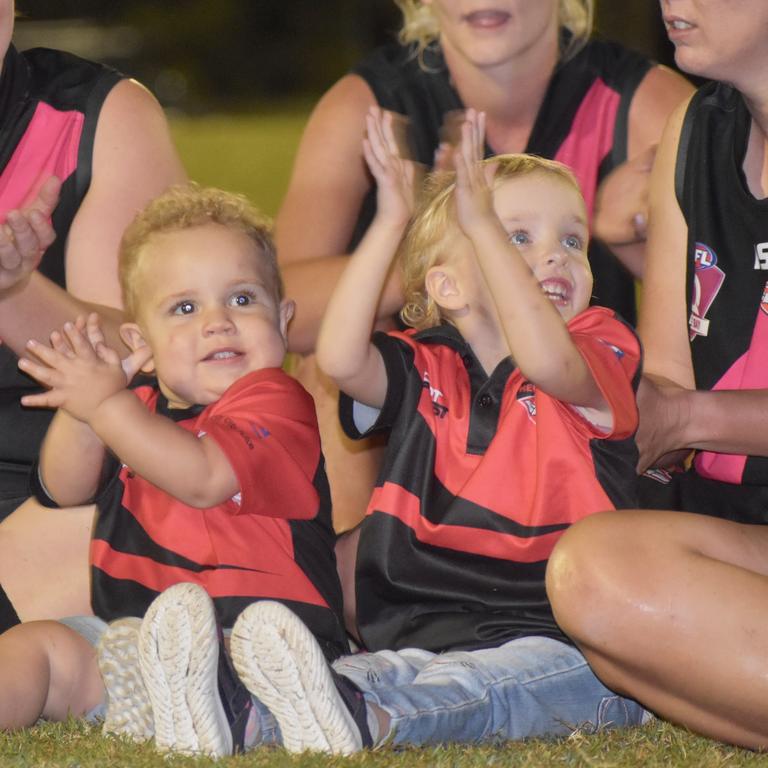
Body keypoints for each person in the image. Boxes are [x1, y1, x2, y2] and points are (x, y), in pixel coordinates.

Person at [220, 107, 647, 755]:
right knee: (363, 673)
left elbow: (546, 363)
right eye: (518, 238)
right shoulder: (429, 366)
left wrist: (481, 226)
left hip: (563, 641)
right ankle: (242, 713)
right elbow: (337, 359)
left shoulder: (597, 346)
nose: (556, 256)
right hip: (422, 634)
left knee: (478, 686)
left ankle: (373, 724)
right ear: (447, 285)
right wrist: (390, 221)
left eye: (572, 241)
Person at [276, 0, 692, 537]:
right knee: (323, 375)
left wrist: (629, 238)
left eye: (571, 237)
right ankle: (339, 594)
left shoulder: (646, 103)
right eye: (520, 237)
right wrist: (441, 244)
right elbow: (281, 310)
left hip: (584, 406)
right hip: (442, 400)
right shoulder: (373, 106)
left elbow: (721, 293)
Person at [0, 185, 348, 757]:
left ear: (284, 322)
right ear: (142, 343)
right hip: (130, 646)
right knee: (36, 646)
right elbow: (64, 488)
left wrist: (106, 407)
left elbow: (203, 478)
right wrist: (85, 408)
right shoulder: (132, 409)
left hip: (258, 650)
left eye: (241, 300)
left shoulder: (277, 402)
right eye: (185, 309)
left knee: (248, 669)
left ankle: (212, 711)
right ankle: (162, 708)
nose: (217, 323)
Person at [546, 0, 768, 751]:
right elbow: (669, 375)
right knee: (591, 574)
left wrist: (689, 421)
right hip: (739, 530)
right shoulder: (695, 132)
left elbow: (683, 412)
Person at [0, 2, 186, 630]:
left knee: (171, 534)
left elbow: (168, 354)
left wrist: (14, 290)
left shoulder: (93, 117)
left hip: (44, 499)